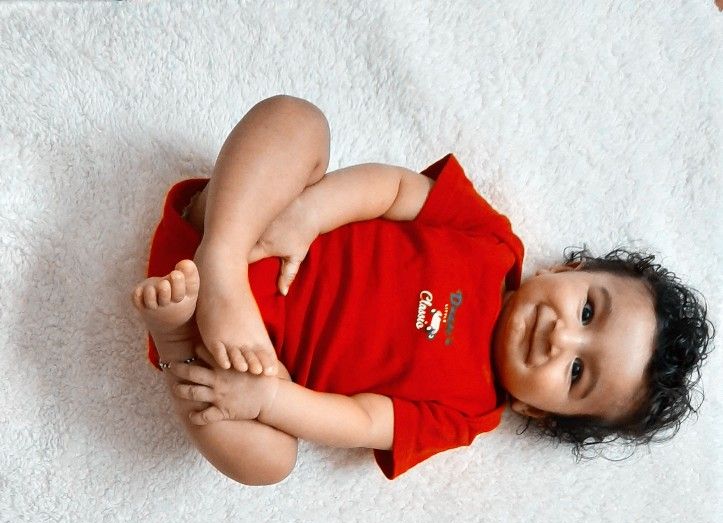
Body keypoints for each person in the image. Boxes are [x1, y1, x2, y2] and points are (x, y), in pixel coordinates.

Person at [132, 95, 713, 485]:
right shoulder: (493, 242)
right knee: (297, 121)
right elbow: (391, 190)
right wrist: (308, 213)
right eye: (588, 310)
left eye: (578, 374)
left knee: (270, 461)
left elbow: (361, 420)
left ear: (537, 410)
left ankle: (179, 338)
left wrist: (268, 402)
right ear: (567, 269)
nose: (562, 338)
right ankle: (224, 262)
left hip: (240, 356)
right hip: (251, 224)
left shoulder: (468, 414)